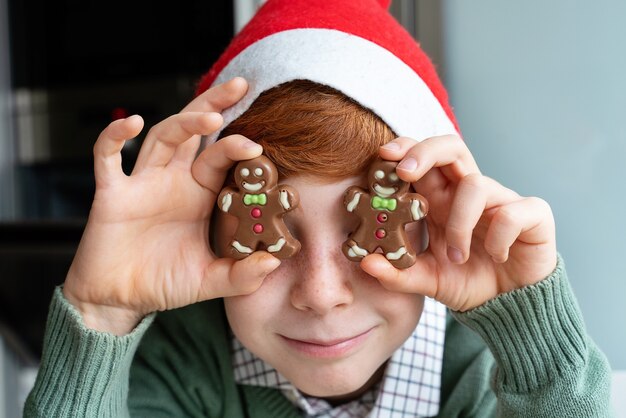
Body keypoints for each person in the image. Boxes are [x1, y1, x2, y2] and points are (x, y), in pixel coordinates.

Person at [24, 0, 613, 416]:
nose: (321, 293)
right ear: (210, 229)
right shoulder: (185, 359)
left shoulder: (484, 371)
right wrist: (99, 315)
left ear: (434, 225)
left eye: (375, 238)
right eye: (268, 239)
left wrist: (534, 339)